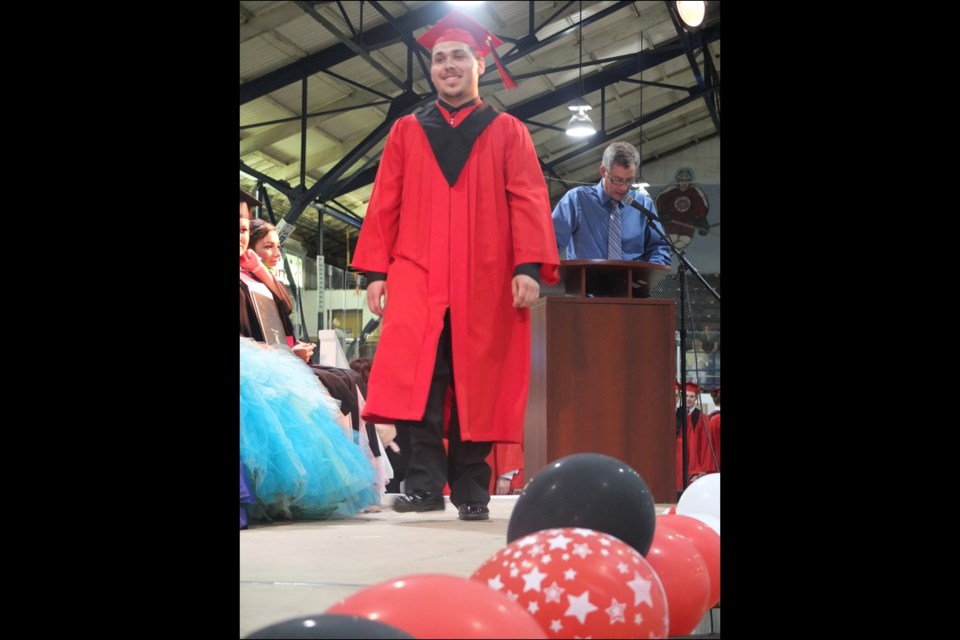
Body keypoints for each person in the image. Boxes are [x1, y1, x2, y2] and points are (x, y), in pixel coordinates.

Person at [350, 9, 560, 521]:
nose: (447, 65)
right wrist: (377, 272)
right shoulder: (406, 131)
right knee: (420, 381)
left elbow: (528, 199)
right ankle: (422, 486)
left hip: (485, 277)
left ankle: (473, 490)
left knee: (478, 384)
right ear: (432, 69)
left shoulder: (507, 130)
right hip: (417, 274)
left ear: (479, 64)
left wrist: (528, 267)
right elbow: (385, 204)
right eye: (439, 58)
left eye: (458, 56)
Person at [551, 141, 671, 265]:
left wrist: (647, 275)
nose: (623, 188)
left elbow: (658, 249)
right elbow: (551, 242)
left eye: (629, 180)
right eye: (617, 180)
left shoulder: (643, 205)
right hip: (584, 282)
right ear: (603, 171)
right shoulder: (576, 200)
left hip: (632, 282)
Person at [248, 218, 316, 364]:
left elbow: (286, 305)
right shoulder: (247, 283)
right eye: (268, 246)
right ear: (250, 249)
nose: (277, 253)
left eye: (278, 246)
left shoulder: (266, 278)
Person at [653, 167, 710, 249]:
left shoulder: (695, 192)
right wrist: (661, 213)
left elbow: (701, 205)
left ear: (689, 181)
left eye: (686, 180)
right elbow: (659, 200)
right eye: (682, 180)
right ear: (678, 181)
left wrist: (701, 220)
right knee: (672, 238)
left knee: (685, 240)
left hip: (688, 223)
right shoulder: (671, 190)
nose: (684, 182)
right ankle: (666, 252)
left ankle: (669, 252)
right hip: (672, 222)